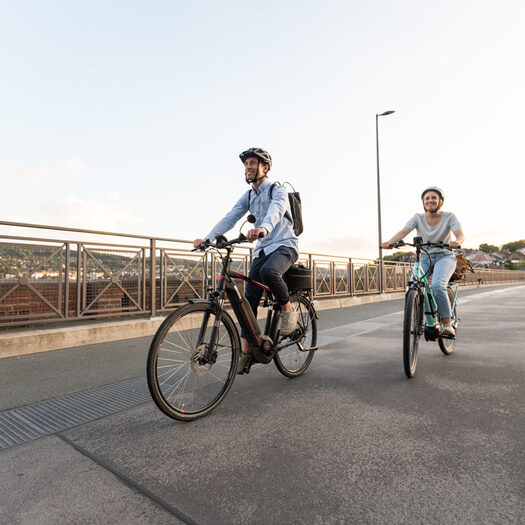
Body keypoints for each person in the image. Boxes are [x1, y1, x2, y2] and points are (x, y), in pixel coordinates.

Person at [193, 147, 299, 357]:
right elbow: (231, 217)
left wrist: (263, 229)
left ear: (264, 167)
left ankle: (288, 310)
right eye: (246, 164)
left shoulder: (277, 190)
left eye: (252, 163)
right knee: (248, 304)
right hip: (261, 250)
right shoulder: (249, 196)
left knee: (269, 272)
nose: (247, 167)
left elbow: (276, 210)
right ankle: (246, 353)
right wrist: (208, 238)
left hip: (284, 245)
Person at [381, 186, 465, 337]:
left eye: (434, 198)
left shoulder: (449, 217)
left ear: (440, 201)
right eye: (427, 198)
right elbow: (403, 231)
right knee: (413, 286)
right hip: (424, 257)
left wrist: (457, 241)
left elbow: (459, 234)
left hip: (445, 256)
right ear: (423, 202)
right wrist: (389, 242)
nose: (430, 200)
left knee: (437, 286)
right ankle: (420, 319)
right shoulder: (417, 218)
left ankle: (447, 324)